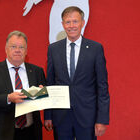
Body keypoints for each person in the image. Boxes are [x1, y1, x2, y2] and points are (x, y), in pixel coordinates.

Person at [44, 6, 110, 140]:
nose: (71, 26)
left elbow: (102, 87)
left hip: (87, 118)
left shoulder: (95, 49)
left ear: (82, 23)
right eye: (67, 22)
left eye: (75, 21)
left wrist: (102, 119)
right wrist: (48, 115)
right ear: (62, 24)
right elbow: (49, 83)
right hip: (61, 117)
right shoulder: (53, 49)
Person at [0, 30, 46, 140]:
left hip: (31, 132)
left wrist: (44, 94)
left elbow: (44, 102)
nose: (17, 50)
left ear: (26, 51)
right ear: (6, 49)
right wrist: (8, 98)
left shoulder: (37, 71)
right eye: (13, 46)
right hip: (2, 133)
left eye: (21, 47)